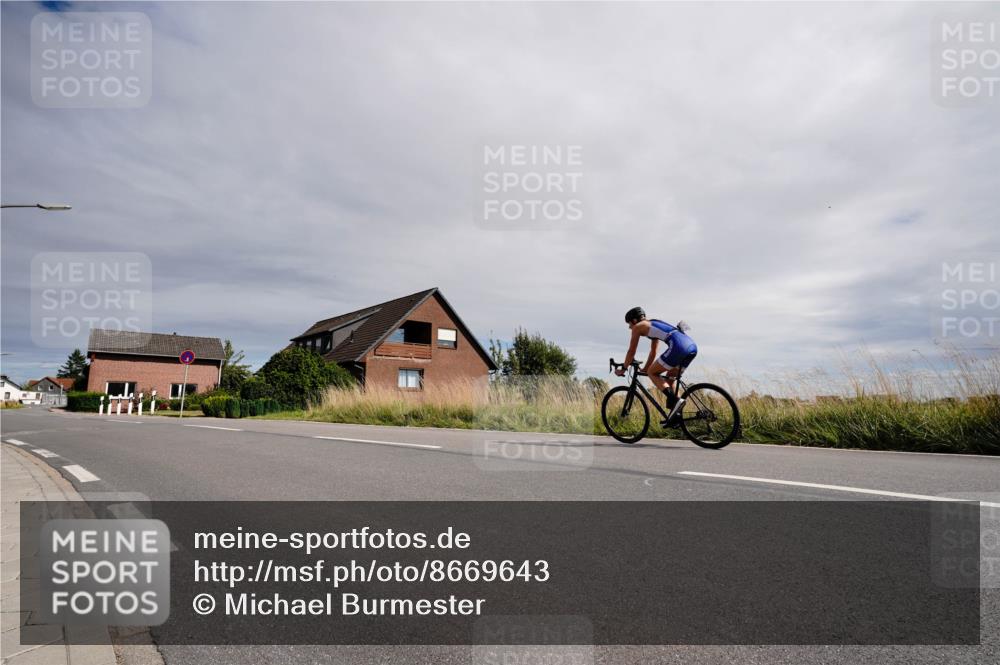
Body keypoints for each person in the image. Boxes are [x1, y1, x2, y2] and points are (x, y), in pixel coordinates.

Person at [616, 306, 697, 424]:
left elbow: (631, 351)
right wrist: (645, 368)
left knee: (652, 373)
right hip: (691, 346)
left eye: (629, 324)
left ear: (634, 321)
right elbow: (653, 352)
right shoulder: (653, 324)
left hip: (678, 347)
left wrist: (624, 368)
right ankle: (675, 416)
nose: (629, 327)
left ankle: (676, 401)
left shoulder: (638, 327)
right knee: (670, 379)